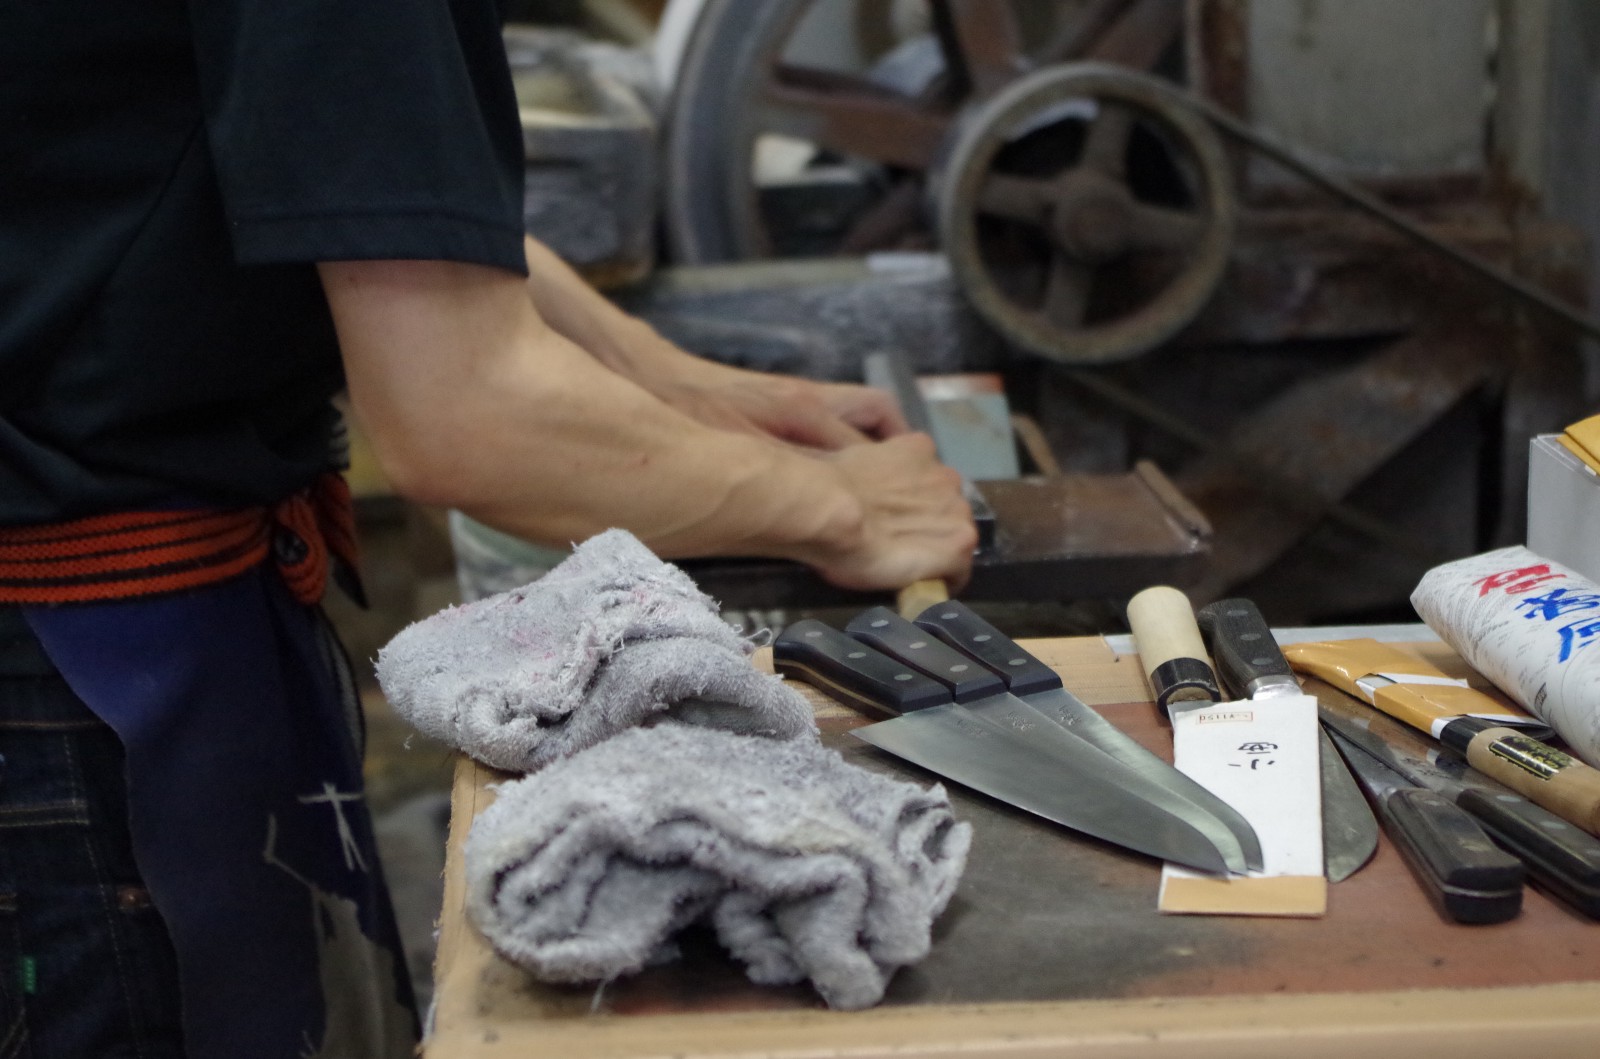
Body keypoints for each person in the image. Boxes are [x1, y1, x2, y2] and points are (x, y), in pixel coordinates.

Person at [2, 2, 975, 1056]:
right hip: (77, 687)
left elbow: (369, 188)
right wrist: (844, 513)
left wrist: (675, 384)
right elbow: (459, 413)